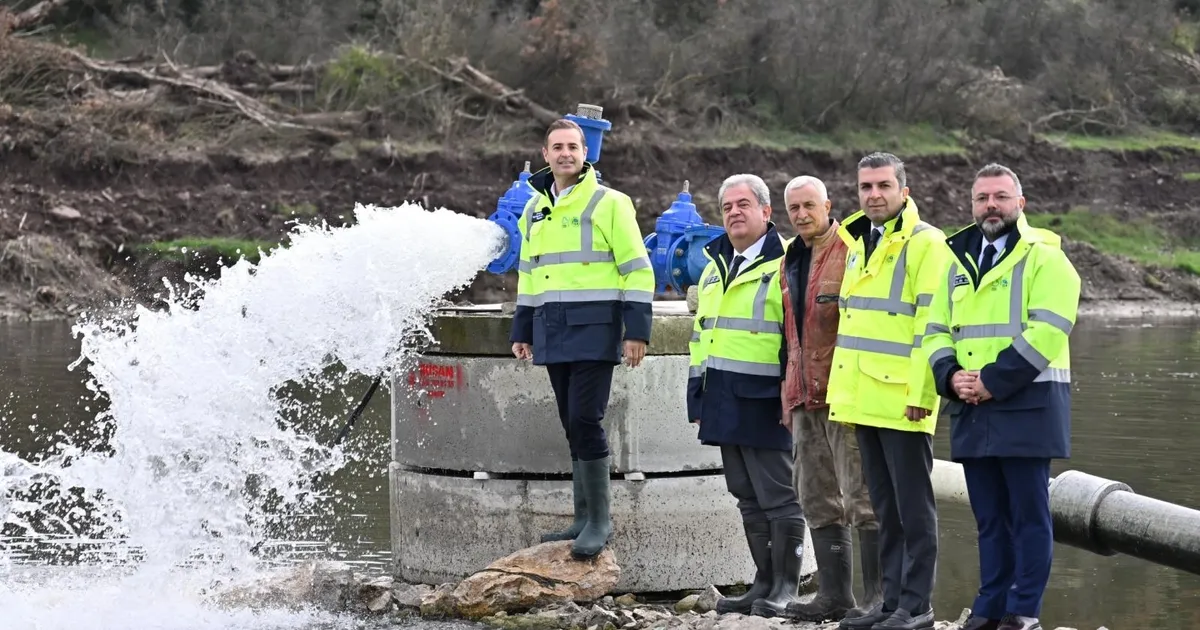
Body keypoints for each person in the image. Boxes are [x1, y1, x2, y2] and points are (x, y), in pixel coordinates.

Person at [923, 164, 1080, 630]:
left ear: (1020, 203)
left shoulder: (1046, 258)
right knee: (989, 518)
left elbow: (1049, 329)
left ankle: (1023, 611)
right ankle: (989, 606)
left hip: (1026, 404)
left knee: (1029, 517)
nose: (991, 205)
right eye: (982, 198)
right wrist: (950, 378)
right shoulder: (954, 260)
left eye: (1000, 197)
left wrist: (992, 380)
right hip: (970, 404)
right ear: (971, 205)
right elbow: (933, 330)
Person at [509, 118, 656, 559]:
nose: (566, 153)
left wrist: (637, 332)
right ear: (545, 154)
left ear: (585, 152)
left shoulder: (610, 202)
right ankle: (581, 517)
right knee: (570, 421)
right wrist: (523, 329)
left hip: (596, 328)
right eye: (558, 147)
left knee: (586, 418)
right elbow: (529, 274)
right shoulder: (534, 209)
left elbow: (637, 267)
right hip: (552, 329)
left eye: (573, 146)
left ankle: (600, 521)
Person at [827, 152, 949, 630]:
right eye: (865, 187)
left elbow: (932, 325)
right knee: (884, 507)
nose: (873, 195)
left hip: (905, 399)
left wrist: (923, 391)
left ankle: (916, 606)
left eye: (882, 186)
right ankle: (889, 602)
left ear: (904, 189)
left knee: (913, 508)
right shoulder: (858, 240)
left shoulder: (927, 244)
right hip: (863, 396)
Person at [686, 173, 805, 618]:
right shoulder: (714, 265)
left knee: (779, 495)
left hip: (767, 400)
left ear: (766, 212)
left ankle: (787, 589)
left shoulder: (787, 262)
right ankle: (764, 582)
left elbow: (798, 338)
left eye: (743, 205)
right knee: (745, 493)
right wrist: (695, 396)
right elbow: (702, 337)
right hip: (722, 396)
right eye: (727, 207)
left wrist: (792, 396)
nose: (734, 213)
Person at [775, 176, 882, 623]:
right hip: (802, 396)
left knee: (863, 496)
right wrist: (787, 395)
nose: (801, 214)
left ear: (829, 205)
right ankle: (835, 596)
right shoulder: (788, 259)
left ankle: (879, 598)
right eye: (794, 208)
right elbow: (790, 335)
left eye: (809, 206)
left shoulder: (852, 251)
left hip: (845, 395)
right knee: (815, 495)